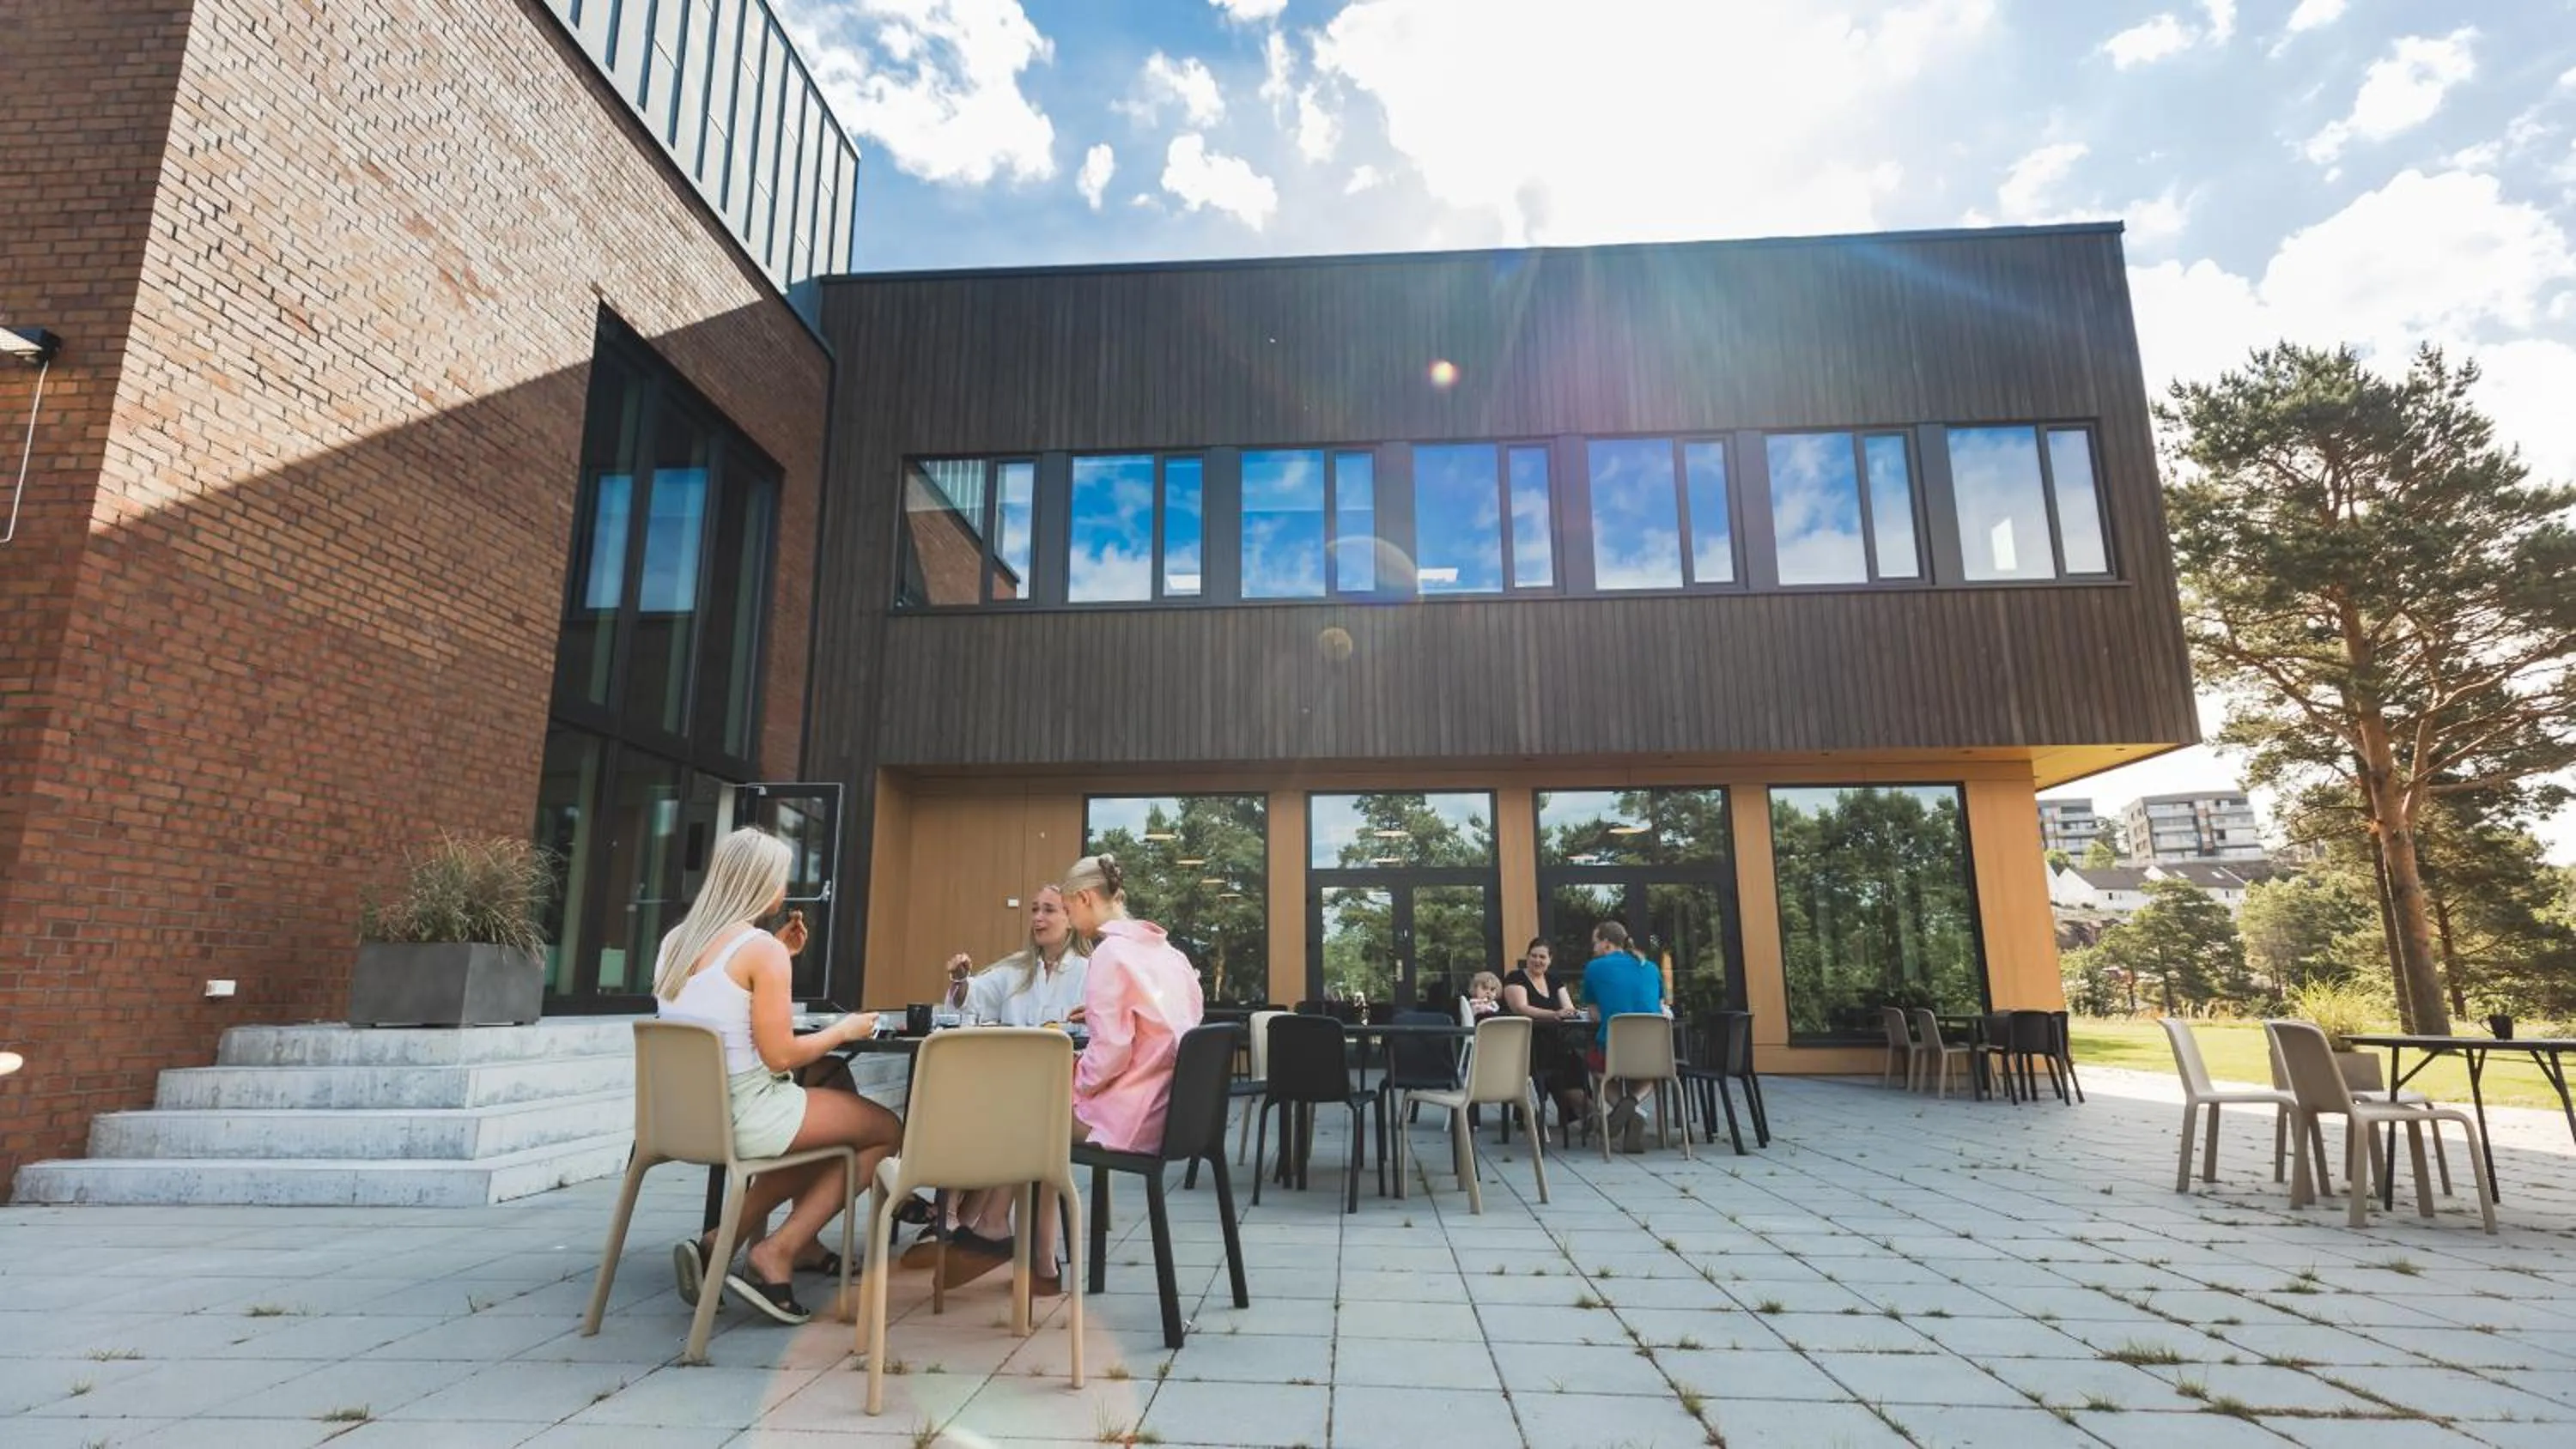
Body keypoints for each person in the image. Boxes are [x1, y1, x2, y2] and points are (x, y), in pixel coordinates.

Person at [654, 828, 904, 1325]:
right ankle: (779, 1249)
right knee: (884, 1131)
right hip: (749, 1111)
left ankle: (715, 1245)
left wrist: (779, 957)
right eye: (781, 879)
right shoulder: (758, 950)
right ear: (759, 882)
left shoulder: (675, 942)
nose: (786, 891)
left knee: (830, 1092)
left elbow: (722, 1007)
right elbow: (781, 1056)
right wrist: (846, 1028)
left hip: (687, 1113)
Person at [965, 852, 1203, 1296]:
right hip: (1169, 1109)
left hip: (1131, 1117)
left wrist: (1077, 1081)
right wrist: (1096, 1016)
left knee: (1031, 1115)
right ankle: (1032, 1259)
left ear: (1085, 898)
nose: (1068, 920)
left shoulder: (1110, 954)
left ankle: (990, 1228)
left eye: (1067, 909)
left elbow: (1111, 1053)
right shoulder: (1165, 951)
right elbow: (1175, 1021)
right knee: (1038, 1112)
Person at [920, 886, 1092, 1282]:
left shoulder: (1090, 971)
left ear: (1070, 919)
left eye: (1049, 910)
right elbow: (972, 999)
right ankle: (976, 1226)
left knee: (1017, 1115)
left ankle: (961, 1220)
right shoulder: (1016, 970)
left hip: (1066, 1092)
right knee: (979, 1103)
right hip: (1014, 1090)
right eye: (1034, 910)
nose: (1038, 918)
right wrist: (961, 980)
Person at [1579, 920, 1668, 1154]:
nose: (1594, 949)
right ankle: (1632, 1106)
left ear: (1607, 944)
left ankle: (1623, 1107)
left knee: (1595, 1068)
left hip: (1614, 1052)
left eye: (1595, 943)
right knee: (1655, 1072)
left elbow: (1596, 1015)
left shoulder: (1594, 968)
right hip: (1653, 1053)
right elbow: (1660, 1005)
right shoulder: (1650, 966)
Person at [1503, 939, 1592, 1137]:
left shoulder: (1554, 981)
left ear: (1550, 960)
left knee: (1575, 1062)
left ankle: (1589, 1114)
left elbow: (1568, 1008)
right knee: (1556, 1060)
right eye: (1533, 955)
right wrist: (1554, 1014)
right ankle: (1588, 1114)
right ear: (1527, 956)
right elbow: (1520, 1008)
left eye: (1542, 957)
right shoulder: (1515, 978)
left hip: (1555, 1040)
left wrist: (1564, 1013)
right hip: (1525, 1042)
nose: (1537, 960)